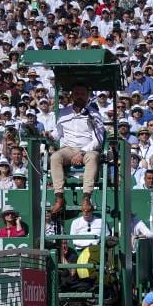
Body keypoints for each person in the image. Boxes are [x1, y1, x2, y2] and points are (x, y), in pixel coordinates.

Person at [48, 85, 104, 214]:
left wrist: (82, 152)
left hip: (87, 148)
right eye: (77, 93)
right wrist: (50, 136)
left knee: (93, 157)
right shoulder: (63, 113)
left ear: (87, 96)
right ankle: (59, 197)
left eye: (83, 94)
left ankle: (86, 197)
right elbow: (58, 133)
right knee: (55, 157)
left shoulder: (94, 114)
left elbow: (98, 140)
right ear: (72, 96)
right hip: (69, 148)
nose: (80, 96)